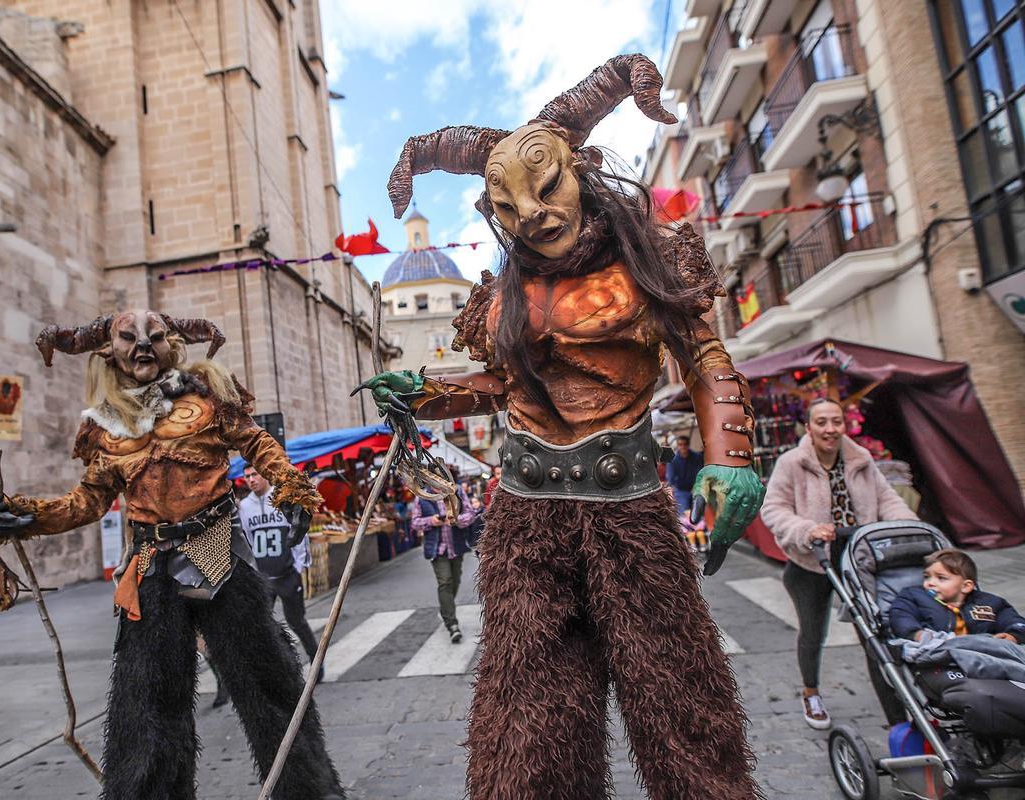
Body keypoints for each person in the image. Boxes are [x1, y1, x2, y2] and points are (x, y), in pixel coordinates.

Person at [359, 53, 764, 800]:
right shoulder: (504, 298)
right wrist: (423, 391)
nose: (532, 217)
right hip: (525, 519)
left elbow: (705, 356)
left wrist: (730, 453)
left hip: (631, 508)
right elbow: (501, 387)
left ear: (580, 169)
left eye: (545, 190)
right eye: (508, 208)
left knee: (681, 714)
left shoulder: (651, 260)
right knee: (529, 732)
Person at [0, 310, 344, 800]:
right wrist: (24, 515)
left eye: (153, 337)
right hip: (151, 566)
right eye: (129, 339)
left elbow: (257, 443)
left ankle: (308, 792)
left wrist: (293, 487)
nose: (143, 347)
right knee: (146, 703)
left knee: (267, 683)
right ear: (110, 351)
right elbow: (87, 501)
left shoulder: (207, 398)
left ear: (170, 344)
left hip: (218, 553)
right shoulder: (105, 428)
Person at [762, 396, 917, 731]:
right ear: (808, 426)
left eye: (836, 421)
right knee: (813, 632)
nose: (830, 429)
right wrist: (806, 529)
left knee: (874, 634)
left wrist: (906, 526)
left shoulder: (860, 459)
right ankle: (811, 691)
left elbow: (887, 499)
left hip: (859, 557)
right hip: (811, 559)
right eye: (822, 422)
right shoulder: (792, 462)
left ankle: (897, 718)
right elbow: (773, 509)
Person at [238, 463, 321, 682]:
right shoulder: (245, 507)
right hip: (264, 577)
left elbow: (299, 533)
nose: (251, 479)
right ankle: (280, 668)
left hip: (286, 574)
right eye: (247, 476)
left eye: (255, 474)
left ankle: (316, 661)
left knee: (297, 621)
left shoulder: (280, 500)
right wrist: (252, 571)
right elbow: (246, 539)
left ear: (264, 475)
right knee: (264, 624)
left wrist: (299, 566)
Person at [889, 548, 1025, 643]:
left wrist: (1013, 635)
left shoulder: (989, 603)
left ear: (966, 586)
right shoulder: (914, 596)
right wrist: (916, 633)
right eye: (927, 577)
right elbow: (901, 615)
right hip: (938, 650)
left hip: (982, 653)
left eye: (941, 578)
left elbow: (1013, 619)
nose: (930, 583)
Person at [411, 490, 476, 642]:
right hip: (437, 550)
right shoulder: (422, 497)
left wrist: (455, 519)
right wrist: (431, 521)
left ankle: (445, 610)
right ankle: (452, 625)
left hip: (456, 548)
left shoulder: (457, 492)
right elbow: (415, 522)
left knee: (455, 581)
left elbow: (471, 514)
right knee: (445, 582)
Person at [667, 435, 703, 515]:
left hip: (696, 488)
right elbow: (670, 480)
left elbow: (700, 475)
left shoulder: (697, 457)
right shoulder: (673, 460)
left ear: (688, 444)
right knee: (683, 512)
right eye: (680, 444)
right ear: (678, 445)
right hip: (681, 490)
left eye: (685, 444)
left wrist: (696, 487)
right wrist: (671, 492)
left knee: (700, 511)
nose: (683, 446)